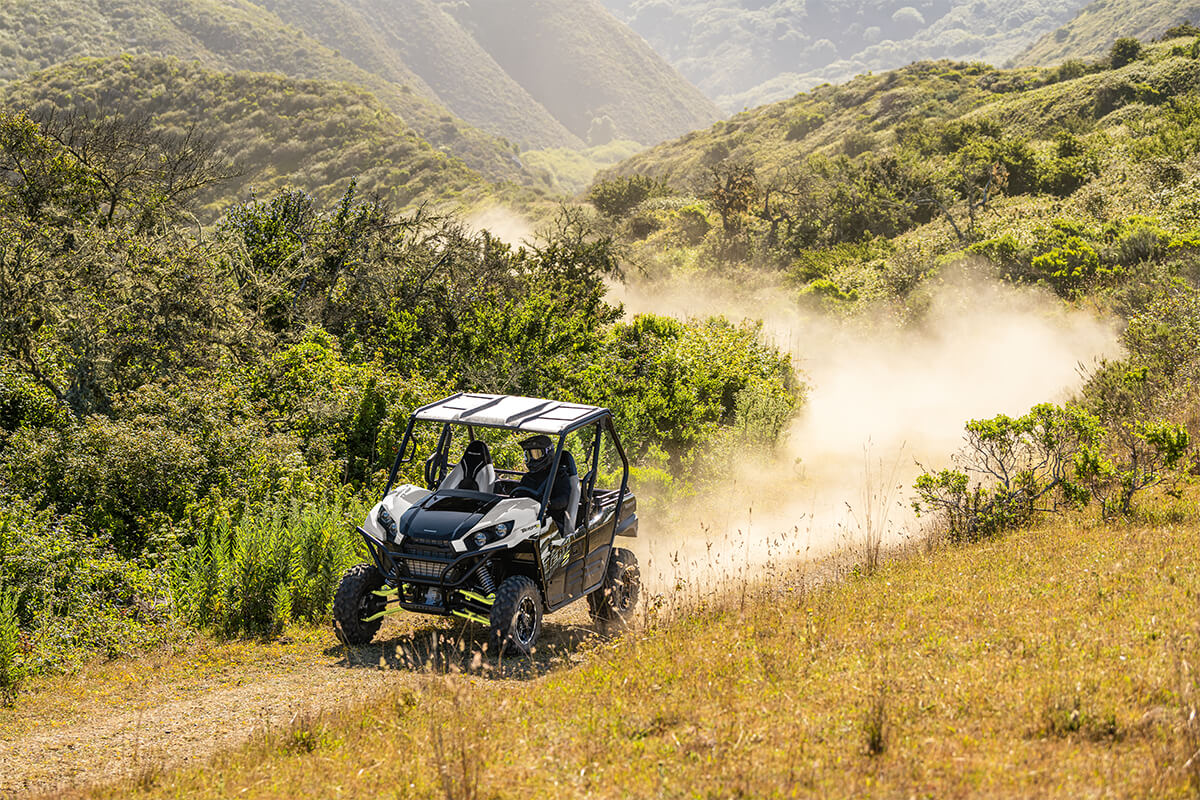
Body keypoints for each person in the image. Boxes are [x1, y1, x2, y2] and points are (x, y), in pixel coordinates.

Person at [512, 434, 573, 532]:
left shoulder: (559, 476)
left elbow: (563, 499)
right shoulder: (528, 477)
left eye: (536, 454)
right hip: (528, 519)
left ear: (547, 453)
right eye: (528, 455)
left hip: (551, 521)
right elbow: (520, 495)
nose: (532, 459)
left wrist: (548, 503)